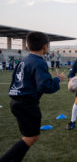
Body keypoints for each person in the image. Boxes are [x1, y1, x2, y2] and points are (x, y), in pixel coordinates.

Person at [0, 32, 65, 162]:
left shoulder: (24, 60)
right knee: (30, 138)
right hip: (27, 104)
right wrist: (58, 79)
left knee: (29, 137)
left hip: (16, 102)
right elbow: (46, 87)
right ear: (45, 46)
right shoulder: (39, 62)